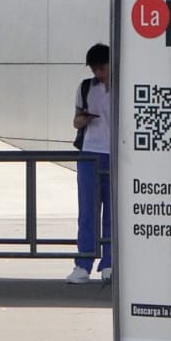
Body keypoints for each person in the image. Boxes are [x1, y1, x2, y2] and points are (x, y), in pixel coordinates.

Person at [66, 43, 112, 285]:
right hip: (89, 153)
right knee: (87, 212)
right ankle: (83, 263)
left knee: (113, 213)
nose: (97, 73)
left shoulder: (125, 85)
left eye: (101, 68)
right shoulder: (85, 88)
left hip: (115, 154)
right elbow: (75, 121)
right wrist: (83, 119)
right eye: (94, 69)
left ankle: (110, 263)